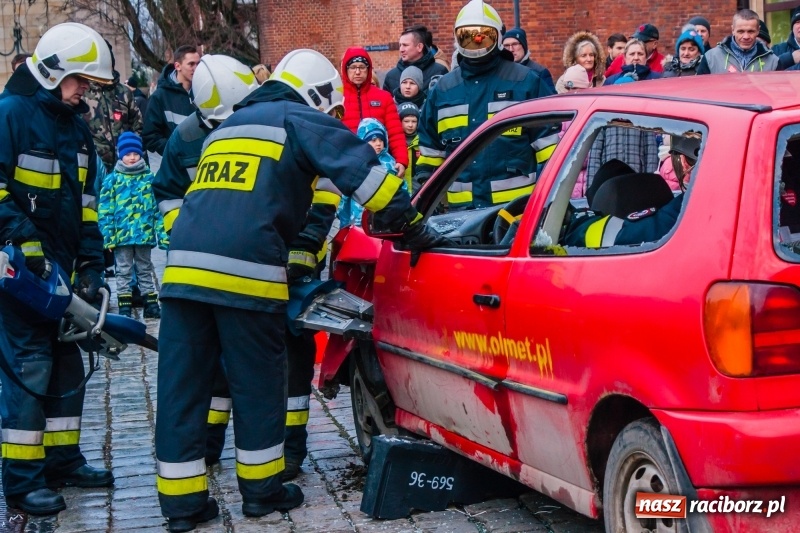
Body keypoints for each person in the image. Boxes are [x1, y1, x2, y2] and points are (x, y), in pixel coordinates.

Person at [153, 48, 446, 532]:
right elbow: (369, 178)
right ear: (317, 96)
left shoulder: (226, 129)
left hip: (183, 273)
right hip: (245, 274)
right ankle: (262, 492)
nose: (329, 116)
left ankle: (183, 507)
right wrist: (413, 228)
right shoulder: (298, 117)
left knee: (184, 388)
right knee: (257, 382)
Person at [0, 22, 115, 516]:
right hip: (20, 275)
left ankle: (63, 460)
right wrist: (21, 238)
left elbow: (88, 205)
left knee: (67, 363)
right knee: (30, 369)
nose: (85, 89)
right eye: (80, 79)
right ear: (53, 72)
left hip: (64, 274)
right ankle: (23, 482)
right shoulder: (10, 116)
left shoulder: (77, 128)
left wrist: (91, 261)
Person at [416, 0, 556, 210]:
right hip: (460, 218)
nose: (476, 42)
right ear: (457, 38)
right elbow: (429, 157)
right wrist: (421, 208)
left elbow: (550, 152)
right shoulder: (443, 90)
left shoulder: (526, 82)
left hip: (515, 214)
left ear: (498, 36)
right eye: (468, 37)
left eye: (483, 36)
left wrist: (548, 206)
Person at [565, 136, 699, 248]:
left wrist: (573, 225)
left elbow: (622, 237)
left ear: (684, 162)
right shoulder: (703, 202)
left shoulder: (685, 210)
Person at [98, 132, 165, 318]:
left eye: (136, 153)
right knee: (123, 270)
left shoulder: (149, 179)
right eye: (128, 154)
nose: (133, 157)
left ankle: (150, 303)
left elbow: (157, 209)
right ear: (121, 154)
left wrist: (162, 235)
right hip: (122, 236)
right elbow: (105, 211)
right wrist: (108, 237)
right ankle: (125, 305)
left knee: (145, 268)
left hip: (144, 234)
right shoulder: (112, 180)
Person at [340, 47, 408, 177]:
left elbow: (395, 132)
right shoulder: (337, 97)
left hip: (380, 164)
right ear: (346, 70)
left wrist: (401, 160)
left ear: (369, 69)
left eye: (362, 67)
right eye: (353, 67)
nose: (358, 72)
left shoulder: (383, 97)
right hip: (347, 164)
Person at [82, 41, 144, 172]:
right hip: (94, 166)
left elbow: (137, 124)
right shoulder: (83, 93)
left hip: (125, 166)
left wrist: (132, 151)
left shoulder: (123, 92)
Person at [142, 45, 201, 173]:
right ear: (177, 66)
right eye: (191, 64)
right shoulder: (160, 97)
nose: (196, 68)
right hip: (173, 170)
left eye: (198, 63)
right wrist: (177, 151)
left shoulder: (204, 92)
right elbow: (150, 137)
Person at [338, 118, 402, 227]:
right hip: (358, 215)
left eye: (381, 140)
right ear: (363, 140)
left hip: (383, 213)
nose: (378, 144)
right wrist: (340, 209)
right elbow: (345, 191)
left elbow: (399, 186)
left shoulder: (389, 163)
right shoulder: (356, 162)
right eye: (373, 140)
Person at [697, 9, 778, 74]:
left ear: (758, 30)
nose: (746, 37)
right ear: (733, 30)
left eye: (751, 31)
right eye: (741, 31)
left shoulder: (773, 61)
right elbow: (699, 90)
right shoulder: (711, 58)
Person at [383, 25, 450, 94]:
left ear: (419, 47)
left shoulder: (439, 71)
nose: (401, 50)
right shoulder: (391, 76)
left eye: (405, 45)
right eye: (400, 45)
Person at [502, 28, 556, 94]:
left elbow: (550, 100)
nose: (511, 49)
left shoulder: (539, 72)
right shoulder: (499, 72)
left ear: (524, 46)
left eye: (515, 44)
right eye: (506, 45)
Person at [398, 102, 421, 191]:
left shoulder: (422, 141)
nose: (410, 125)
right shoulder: (393, 142)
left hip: (418, 189)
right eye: (406, 121)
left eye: (414, 121)